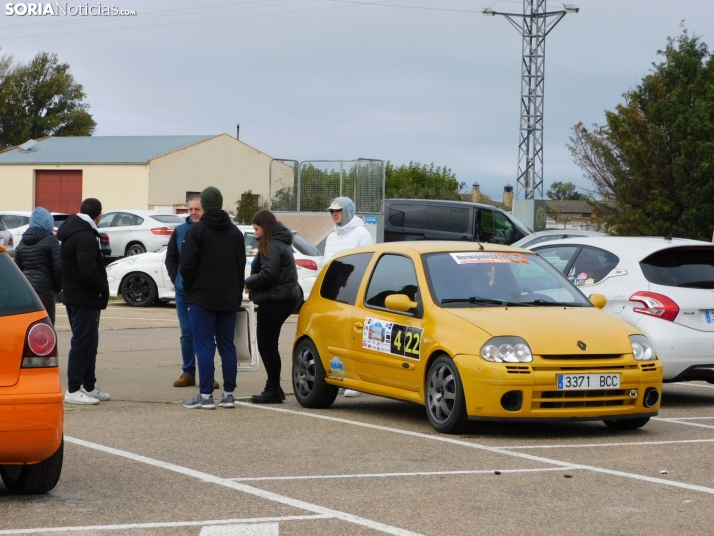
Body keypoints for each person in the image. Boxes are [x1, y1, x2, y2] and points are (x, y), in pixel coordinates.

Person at [180, 186, 245, 410]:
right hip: (228, 297)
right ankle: (228, 393)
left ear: (205, 206)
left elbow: (187, 266)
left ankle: (206, 395)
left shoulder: (197, 231)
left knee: (204, 345)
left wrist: (191, 289)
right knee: (227, 345)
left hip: (202, 297)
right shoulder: (235, 233)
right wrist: (237, 294)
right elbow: (240, 266)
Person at [57, 198, 110, 405]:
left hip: (76, 295)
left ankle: (89, 385)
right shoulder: (85, 236)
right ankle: (73, 388)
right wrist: (103, 287)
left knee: (89, 342)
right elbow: (88, 270)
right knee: (82, 342)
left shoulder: (72, 231)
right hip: (83, 297)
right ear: (99, 217)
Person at [244, 210, 301, 404]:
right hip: (282, 298)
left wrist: (248, 282)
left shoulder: (273, 245)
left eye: (257, 229)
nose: (256, 233)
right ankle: (274, 387)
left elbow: (268, 274)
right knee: (267, 344)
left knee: (266, 344)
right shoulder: (278, 242)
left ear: (265, 227)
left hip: (276, 300)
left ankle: (273, 388)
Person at [165, 195, 218, 390]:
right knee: (187, 334)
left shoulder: (211, 230)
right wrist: (177, 279)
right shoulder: (180, 231)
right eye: (191, 209)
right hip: (184, 293)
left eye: (198, 209)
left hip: (205, 293)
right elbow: (171, 258)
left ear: (205, 209)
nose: (194, 212)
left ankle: (208, 375)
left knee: (206, 335)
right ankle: (188, 373)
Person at [323, 197, 373, 397]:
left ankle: (355, 381)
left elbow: (365, 264)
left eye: (338, 210)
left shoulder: (362, 233)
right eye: (332, 211)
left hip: (353, 294)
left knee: (352, 336)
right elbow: (326, 264)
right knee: (335, 337)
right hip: (332, 294)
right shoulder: (331, 236)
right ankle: (340, 375)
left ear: (348, 210)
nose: (334, 214)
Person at [14, 207, 62, 324]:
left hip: (27, 290)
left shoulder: (22, 242)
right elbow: (59, 267)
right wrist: (56, 287)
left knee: (29, 325)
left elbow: (17, 268)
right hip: (45, 289)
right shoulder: (51, 240)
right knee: (47, 325)